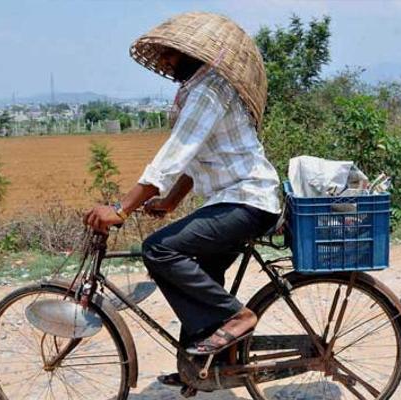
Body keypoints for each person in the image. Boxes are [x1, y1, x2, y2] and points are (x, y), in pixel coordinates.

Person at [83, 12, 280, 386]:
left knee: (158, 250)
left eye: (171, 55)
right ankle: (202, 368)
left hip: (248, 200)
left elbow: (173, 155)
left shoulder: (208, 92)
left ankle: (237, 317)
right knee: (201, 272)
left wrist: (120, 209)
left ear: (192, 53)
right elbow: (193, 160)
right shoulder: (200, 88)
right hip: (235, 200)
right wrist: (170, 202)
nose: (166, 63)